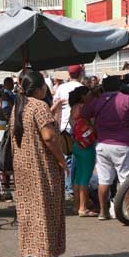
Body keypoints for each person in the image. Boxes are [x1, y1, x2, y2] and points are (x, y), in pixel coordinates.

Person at [10, 70, 68, 257]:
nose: (46, 89)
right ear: (38, 88)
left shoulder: (19, 106)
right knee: (47, 208)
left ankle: (30, 251)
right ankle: (47, 254)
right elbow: (50, 137)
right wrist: (62, 161)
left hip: (22, 168)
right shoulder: (39, 105)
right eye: (44, 85)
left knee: (28, 210)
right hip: (41, 166)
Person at [82, 76, 129, 220]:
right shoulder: (127, 100)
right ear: (119, 86)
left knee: (104, 180)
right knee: (125, 180)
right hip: (124, 145)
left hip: (102, 145)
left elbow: (84, 113)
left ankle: (103, 212)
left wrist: (93, 126)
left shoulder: (97, 101)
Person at [55, 65, 85, 198]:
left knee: (66, 156)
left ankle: (69, 186)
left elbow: (56, 106)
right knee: (76, 158)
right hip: (79, 126)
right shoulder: (82, 88)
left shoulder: (61, 88)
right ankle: (70, 187)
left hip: (63, 126)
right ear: (80, 73)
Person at [68, 86, 97, 217]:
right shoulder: (84, 108)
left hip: (76, 145)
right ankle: (83, 207)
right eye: (89, 93)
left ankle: (76, 205)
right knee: (85, 178)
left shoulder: (73, 108)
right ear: (83, 96)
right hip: (87, 147)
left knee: (78, 177)